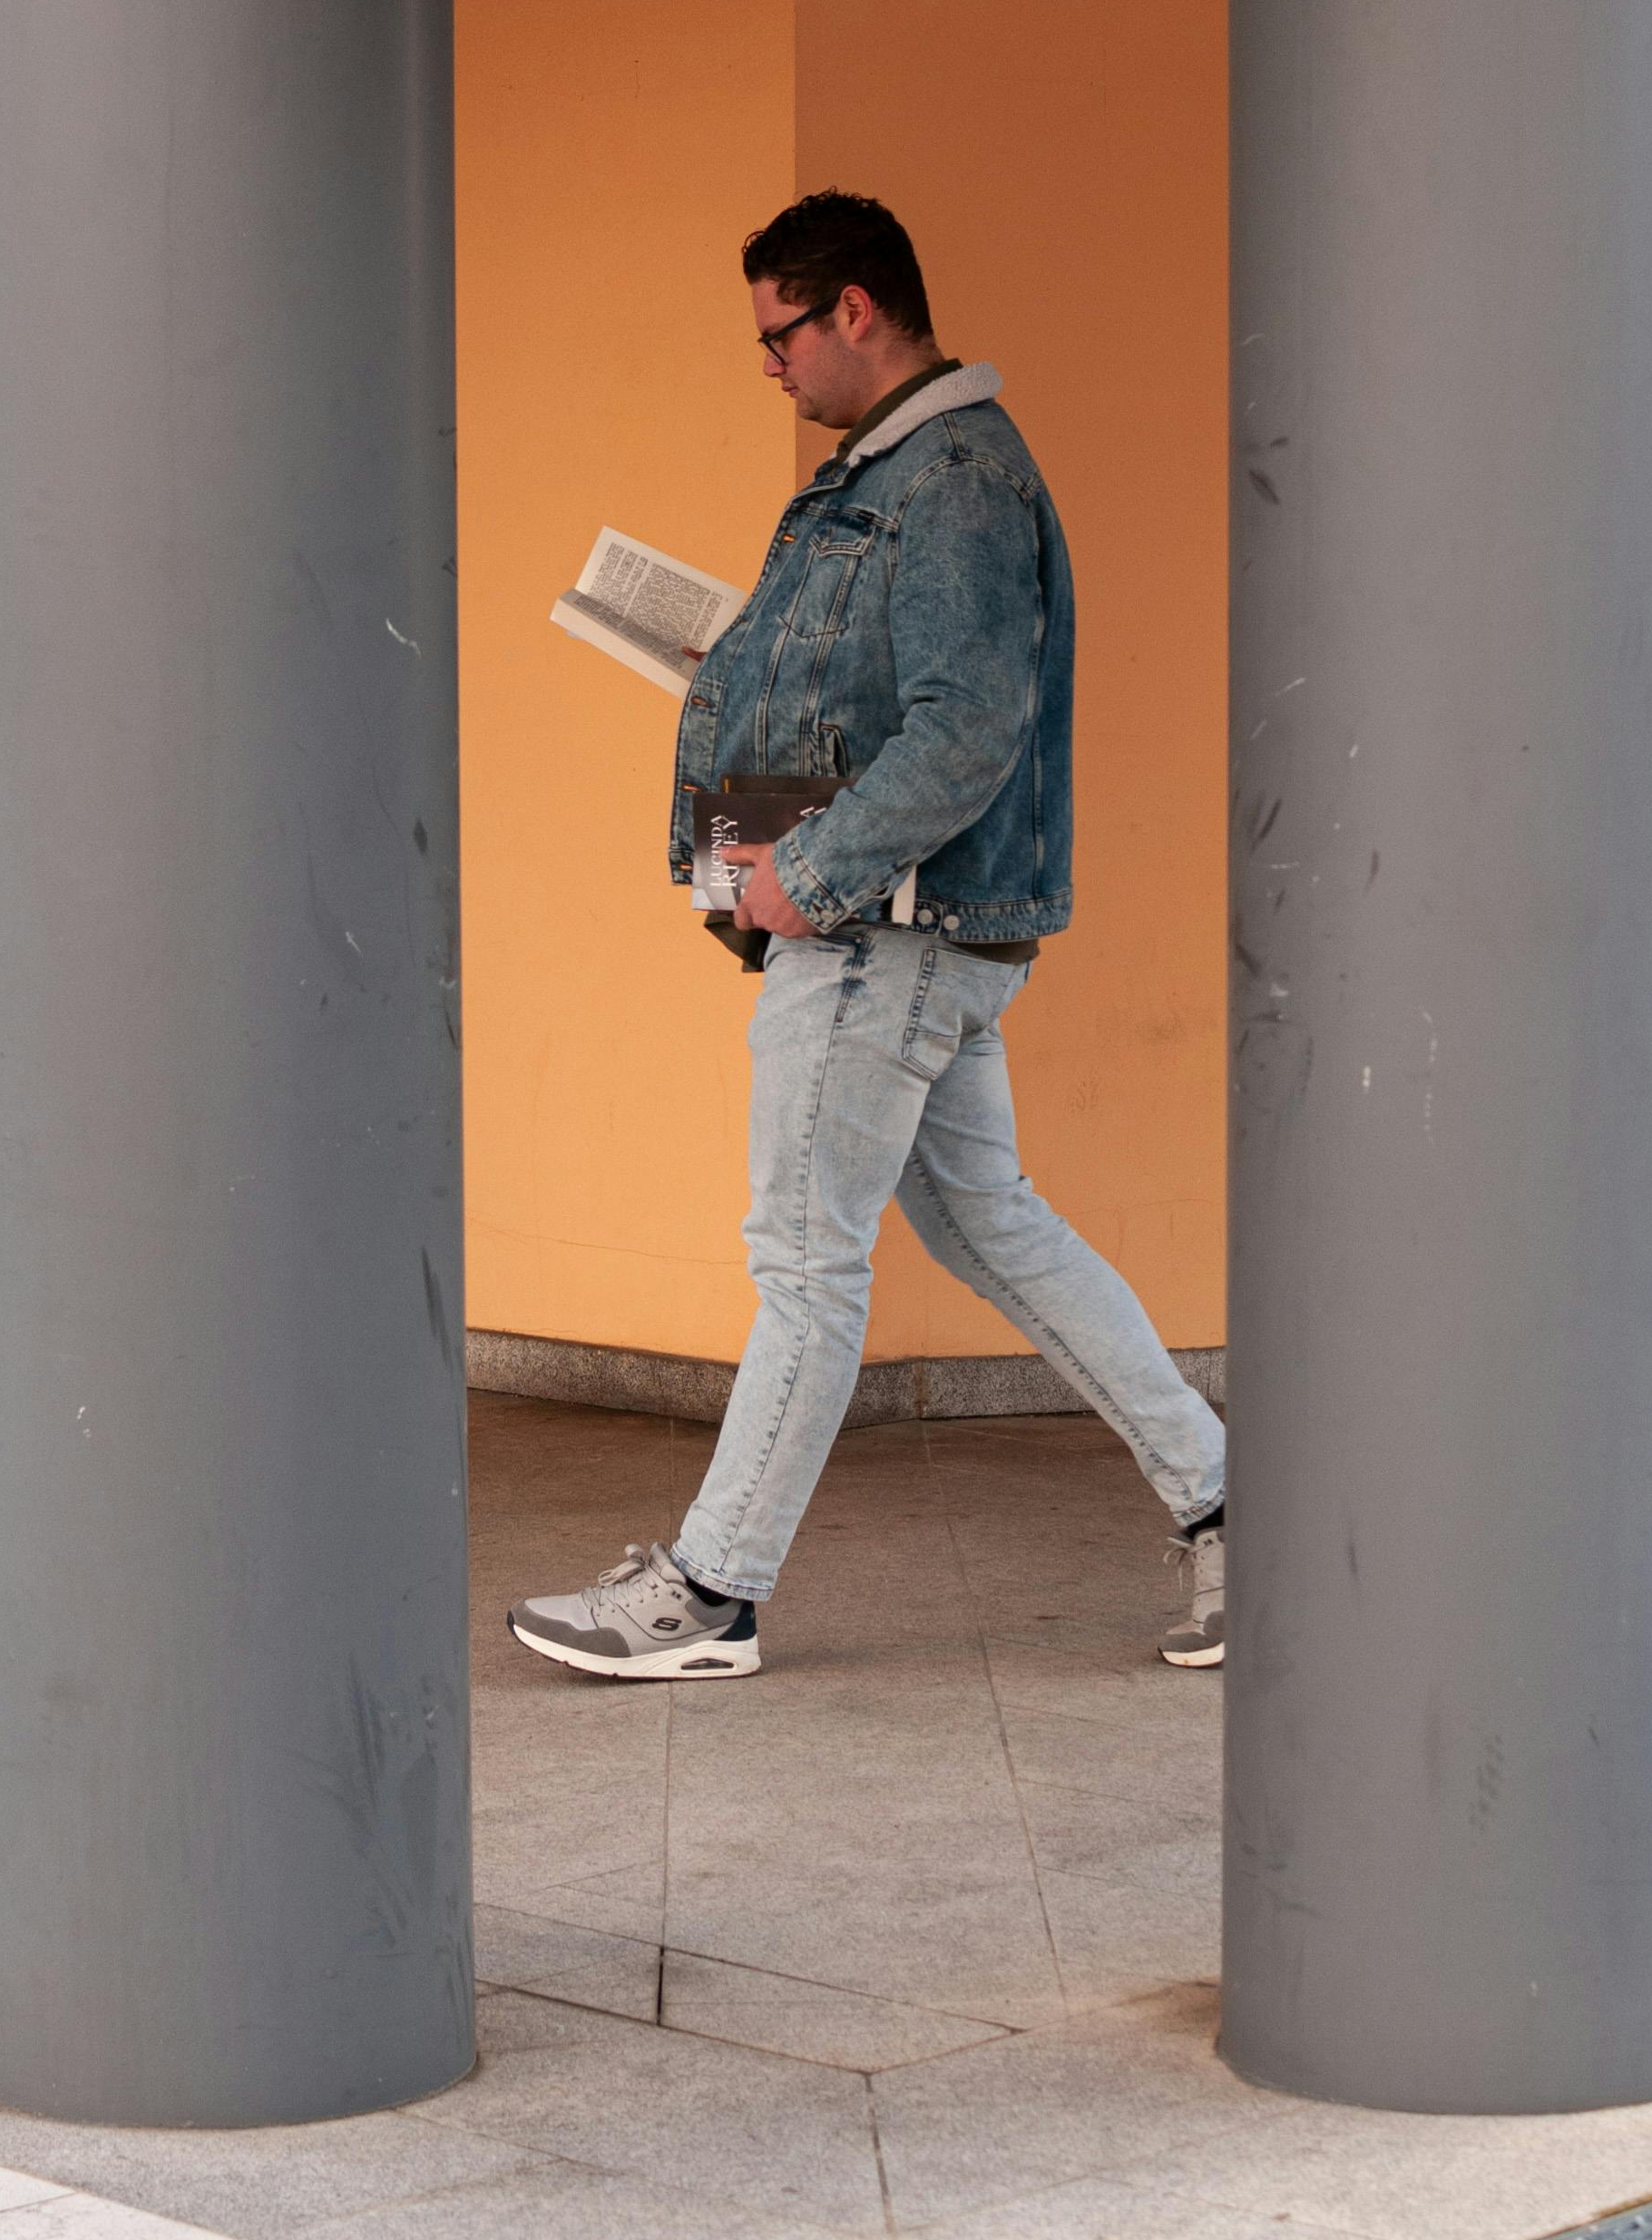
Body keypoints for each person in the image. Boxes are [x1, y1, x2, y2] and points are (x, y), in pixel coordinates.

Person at [508, 191, 1227, 1683]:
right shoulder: (885, 473)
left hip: (877, 939)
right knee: (990, 1224)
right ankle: (1227, 1501)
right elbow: (892, 694)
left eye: (778, 332)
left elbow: (968, 730)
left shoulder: (951, 476)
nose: (765, 364)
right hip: (905, 933)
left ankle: (710, 1592)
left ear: (853, 310)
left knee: (804, 1258)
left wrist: (808, 877)